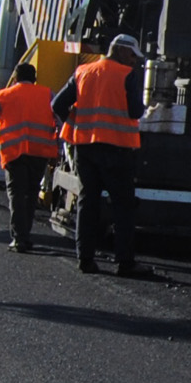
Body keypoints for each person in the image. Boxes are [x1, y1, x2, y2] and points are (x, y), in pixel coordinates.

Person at [52, 33, 148, 276]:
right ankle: (125, 263)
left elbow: (57, 105)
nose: (135, 61)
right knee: (123, 207)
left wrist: (74, 123)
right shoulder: (126, 75)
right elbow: (136, 111)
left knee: (87, 203)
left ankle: (85, 260)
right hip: (118, 149)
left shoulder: (83, 71)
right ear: (123, 52)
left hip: (85, 148)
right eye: (133, 56)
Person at [0, 59, 61, 253]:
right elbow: (59, 119)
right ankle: (26, 235)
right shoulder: (47, 94)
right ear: (34, 78)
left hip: (14, 153)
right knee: (31, 195)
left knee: (16, 195)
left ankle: (19, 238)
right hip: (39, 153)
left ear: (15, 77)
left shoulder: (4, 95)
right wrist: (58, 149)